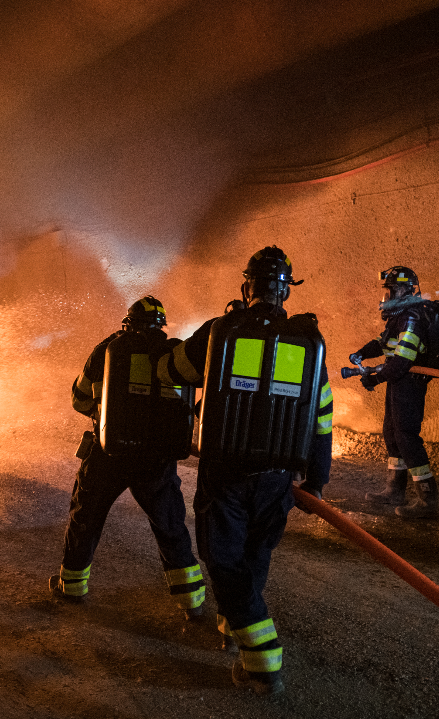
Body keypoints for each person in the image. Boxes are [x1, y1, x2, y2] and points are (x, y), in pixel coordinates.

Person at [157, 246, 333, 696]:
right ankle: (233, 624)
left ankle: (263, 658)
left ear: (246, 286)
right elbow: (321, 416)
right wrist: (316, 480)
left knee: (221, 558)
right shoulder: (308, 341)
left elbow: (170, 371)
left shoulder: (220, 331)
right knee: (255, 555)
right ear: (285, 292)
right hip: (277, 478)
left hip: (227, 474)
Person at [50, 296, 206, 619]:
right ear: (162, 326)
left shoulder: (107, 349)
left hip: (110, 453)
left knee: (86, 516)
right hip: (156, 459)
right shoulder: (172, 353)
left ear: (127, 322)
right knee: (170, 525)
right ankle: (192, 602)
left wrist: (105, 411)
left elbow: (79, 400)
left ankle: (72, 588)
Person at [349, 266, 439, 519]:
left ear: (405, 289)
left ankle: (427, 498)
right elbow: (383, 343)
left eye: (391, 290)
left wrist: (375, 379)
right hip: (398, 382)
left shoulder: (411, 317)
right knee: (392, 433)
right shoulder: (399, 316)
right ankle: (394, 490)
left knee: (407, 437)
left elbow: (402, 360)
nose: (387, 295)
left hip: (409, 383)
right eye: (387, 290)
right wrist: (362, 353)